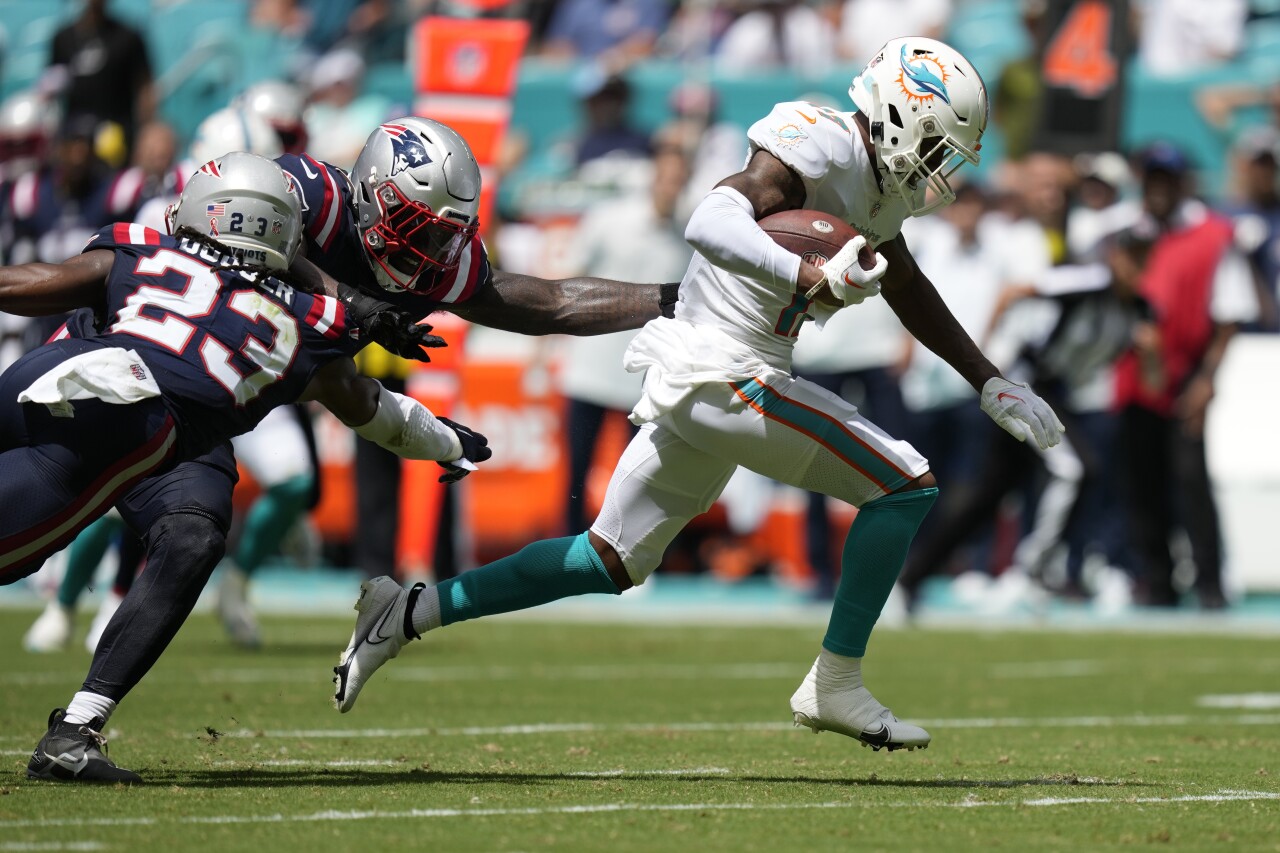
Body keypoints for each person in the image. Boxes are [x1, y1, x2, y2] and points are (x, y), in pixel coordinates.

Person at [333, 38, 1065, 754]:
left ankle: (406, 611)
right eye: (937, 146)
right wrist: (804, 277)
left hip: (729, 371)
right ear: (901, 117)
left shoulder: (880, 188)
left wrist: (989, 379)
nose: (940, 169)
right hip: (720, 364)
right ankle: (835, 680)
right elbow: (710, 220)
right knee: (904, 484)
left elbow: (907, 284)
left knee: (607, 559)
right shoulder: (823, 143)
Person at [10, 115, 678, 783]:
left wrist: (671, 299)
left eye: (448, 237)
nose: (433, 257)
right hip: (130, 366)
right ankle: (65, 611)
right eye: (421, 230)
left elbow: (547, 303)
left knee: (192, 534)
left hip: (213, 405)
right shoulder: (305, 197)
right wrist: (351, 306)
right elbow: (270, 274)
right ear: (373, 198)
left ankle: (76, 728)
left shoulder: (416, 268)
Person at [5, 152, 490, 782]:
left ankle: (77, 729)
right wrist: (446, 442)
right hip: (124, 428)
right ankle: (75, 728)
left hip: (50, 378)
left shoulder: (143, 248)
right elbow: (370, 407)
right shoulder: (305, 321)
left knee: (193, 532)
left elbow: (32, 282)